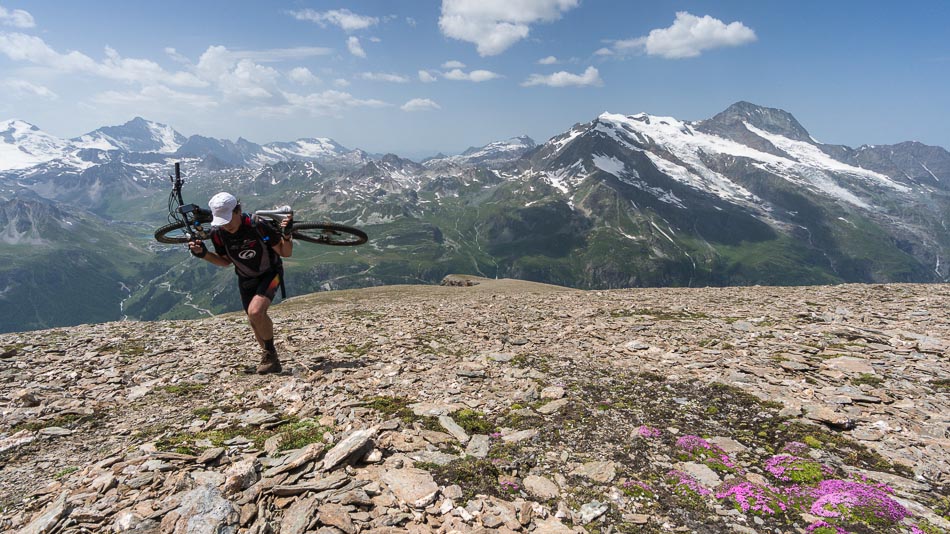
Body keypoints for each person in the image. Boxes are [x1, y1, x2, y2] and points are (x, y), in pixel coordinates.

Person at [188, 192, 293, 374]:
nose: (226, 225)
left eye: (229, 219)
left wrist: (287, 235)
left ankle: (270, 355)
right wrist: (203, 254)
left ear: (238, 210)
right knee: (254, 320)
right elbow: (225, 261)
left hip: (271, 273)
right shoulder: (218, 233)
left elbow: (285, 252)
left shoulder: (258, 225)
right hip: (245, 277)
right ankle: (271, 359)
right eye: (222, 220)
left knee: (255, 311)